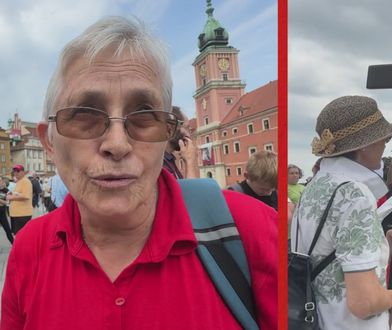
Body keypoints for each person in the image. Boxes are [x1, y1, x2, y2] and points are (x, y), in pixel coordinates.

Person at [1, 16, 277, 330]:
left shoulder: (255, 231)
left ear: (167, 135)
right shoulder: (29, 250)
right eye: (85, 115)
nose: (117, 145)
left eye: (144, 115)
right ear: (49, 142)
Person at [291, 95, 392, 329]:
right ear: (364, 144)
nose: (385, 143)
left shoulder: (316, 185)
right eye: (383, 138)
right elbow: (364, 302)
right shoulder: (354, 193)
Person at [163, 106, 198, 179]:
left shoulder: (169, 159)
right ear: (171, 128)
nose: (188, 135)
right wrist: (190, 162)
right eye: (186, 128)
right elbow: (191, 190)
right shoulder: (160, 166)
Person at [5, 164, 33, 235]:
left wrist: (11, 197)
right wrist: (11, 194)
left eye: (18, 171)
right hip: (17, 214)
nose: (15, 173)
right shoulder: (19, 181)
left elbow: (26, 196)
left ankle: (24, 246)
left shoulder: (25, 181)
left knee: (22, 236)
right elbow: (19, 194)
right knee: (18, 235)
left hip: (22, 214)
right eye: (14, 171)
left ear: (23, 172)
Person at [0, 177, 14, 244]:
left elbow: (8, 202)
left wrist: (2, 201)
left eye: (0, 180)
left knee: (8, 230)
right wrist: (3, 201)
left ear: (2, 182)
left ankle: (14, 245)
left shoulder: (7, 190)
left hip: (2, 213)